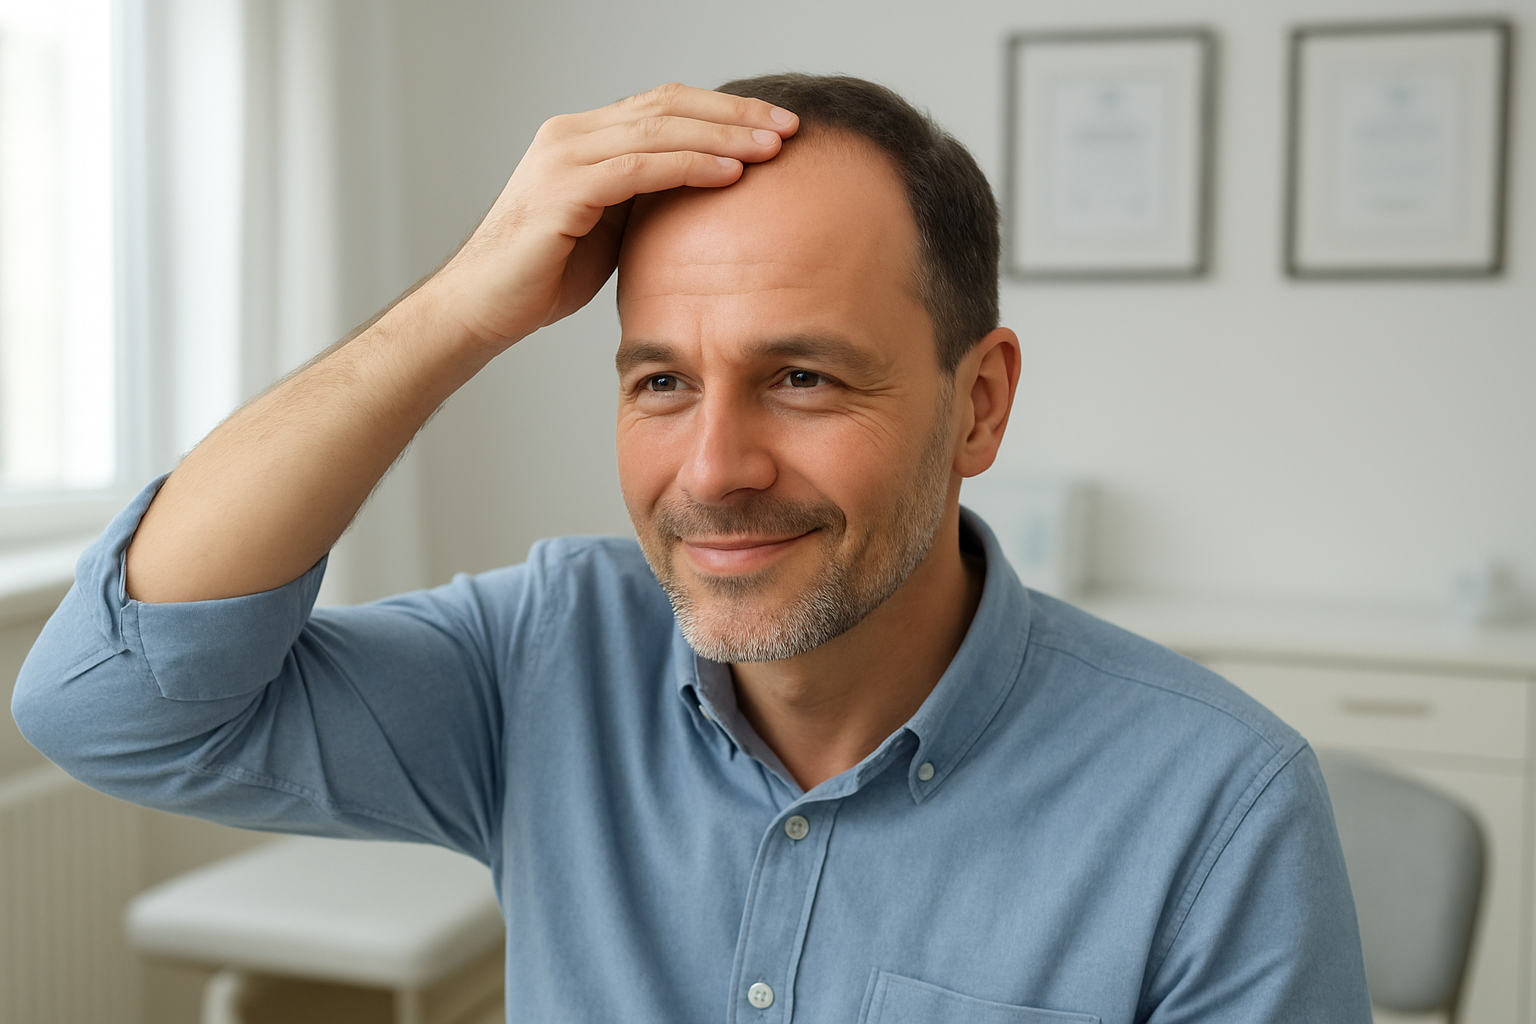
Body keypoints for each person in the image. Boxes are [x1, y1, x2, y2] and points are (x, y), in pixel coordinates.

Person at [13, 74, 1371, 1022]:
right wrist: (459, 314)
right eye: (660, 382)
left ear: (980, 404)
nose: (714, 472)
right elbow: (107, 704)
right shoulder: (549, 656)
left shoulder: (1215, 805)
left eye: (804, 380)